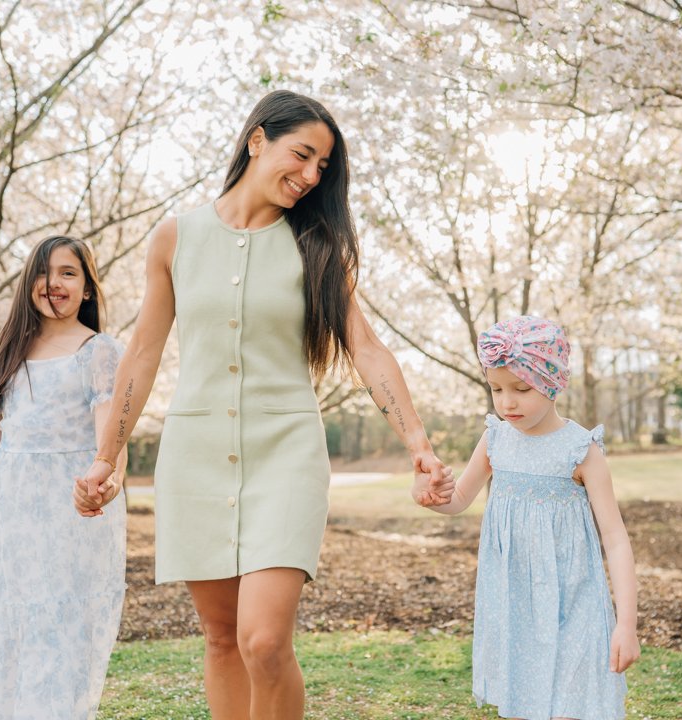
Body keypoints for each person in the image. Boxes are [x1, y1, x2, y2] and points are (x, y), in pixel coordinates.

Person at [76, 89, 452, 719]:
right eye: (302, 155)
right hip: (195, 455)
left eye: (322, 167)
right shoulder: (174, 237)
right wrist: (105, 458)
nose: (311, 176)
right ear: (257, 140)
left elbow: (365, 347)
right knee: (223, 639)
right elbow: (142, 354)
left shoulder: (318, 247)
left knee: (264, 640)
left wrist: (417, 442)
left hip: (287, 455)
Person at [416, 315, 639, 720]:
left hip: (575, 603)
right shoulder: (495, 439)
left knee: (571, 707)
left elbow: (616, 539)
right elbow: (460, 497)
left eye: (521, 389)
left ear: (552, 383)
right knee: (521, 705)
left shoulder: (581, 450)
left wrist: (626, 623)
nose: (507, 403)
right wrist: (433, 497)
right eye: (496, 389)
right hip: (514, 604)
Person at [0, 235, 127, 719]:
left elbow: (111, 440)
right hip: (11, 516)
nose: (54, 283)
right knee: (12, 625)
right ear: (29, 283)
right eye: (44, 272)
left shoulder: (99, 352)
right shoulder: (2, 354)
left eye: (69, 273)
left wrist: (105, 485)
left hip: (71, 514)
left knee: (64, 627)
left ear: (87, 289)